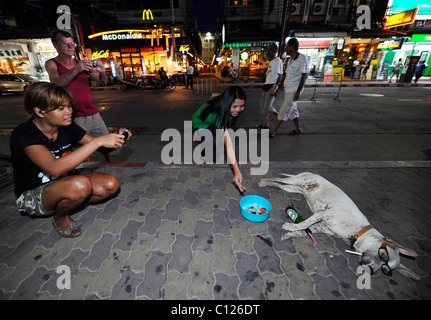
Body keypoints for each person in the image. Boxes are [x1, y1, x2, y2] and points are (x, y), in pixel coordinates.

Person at [10, 82, 131, 238]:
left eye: (69, 106)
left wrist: (119, 138)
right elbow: (54, 168)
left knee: (111, 185)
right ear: (40, 112)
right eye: (61, 109)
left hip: (65, 180)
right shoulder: (24, 134)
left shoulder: (68, 127)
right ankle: (61, 216)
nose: (69, 112)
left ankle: (68, 200)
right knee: (80, 186)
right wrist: (97, 141)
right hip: (33, 193)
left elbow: (101, 147)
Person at [45, 29, 112, 161]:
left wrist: (102, 71)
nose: (70, 47)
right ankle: (88, 174)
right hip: (72, 116)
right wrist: (77, 69)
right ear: (55, 45)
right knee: (83, 151)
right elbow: (57, 83)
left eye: (72, 44)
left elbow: (102, 82)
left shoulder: (81, 63)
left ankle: (108, 163)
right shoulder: (52, 63)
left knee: (106, 144)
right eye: (65, 43)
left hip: (92, 112)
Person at [192, 86, 246, 192]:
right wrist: (236, 170)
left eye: (241, 106)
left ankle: (205, 153)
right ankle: (205, 158)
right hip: (200, 124)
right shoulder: (218, 115)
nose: (238, 110)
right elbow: (228, 144)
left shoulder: (223, 99)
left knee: (215, 141)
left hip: (211, 122)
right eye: (234, 106)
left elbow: (214, 95)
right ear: (226, 104)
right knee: (213, 146)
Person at [270, 38, 308, 137]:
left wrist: (298, 92)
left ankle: (273, 131)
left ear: (292, 47)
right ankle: (298, 128)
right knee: (293, 111)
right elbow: (286, 75)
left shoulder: (302, 58)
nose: (285, 49)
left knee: (284, 109)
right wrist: (278, 88)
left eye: (287, 47)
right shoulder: (289, 60)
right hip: (288, 89)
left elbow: (304, 75)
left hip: (294, 90)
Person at [256, 44, 284, 129]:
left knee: (267, 106)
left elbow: (280, 75)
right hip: (267, 85)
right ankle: (266, 123)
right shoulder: (270, 62)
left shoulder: (277, 61)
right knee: (263, 106)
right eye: (268, 50)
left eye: (270, 50)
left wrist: (275, 88)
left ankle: (279, 115)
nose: (268, 51)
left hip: (272, 86)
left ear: (275, 52)